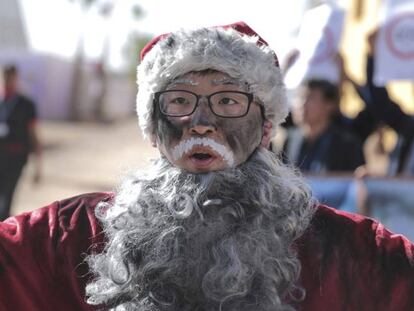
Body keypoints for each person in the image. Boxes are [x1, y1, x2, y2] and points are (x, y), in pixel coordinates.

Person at [0, 22, 413, 311]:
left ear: (266, 126)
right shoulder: (74, 237)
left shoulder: (343, 251)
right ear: (152, 128)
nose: (201, 121)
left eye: (228, 101)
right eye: (179, 101)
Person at [282, 79, 366, 173]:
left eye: (310, 98)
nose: (302, 104)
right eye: (299, 97)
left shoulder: (347, 144)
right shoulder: (290, 139)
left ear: (329, 105)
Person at [0, 65, 42, 220]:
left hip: (15, 158)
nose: (6, 81)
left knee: (7, 196)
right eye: (4, 77)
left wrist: (38, 166)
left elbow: (33, 134)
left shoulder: (26, 104)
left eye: (10, 77)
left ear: (16, 79)